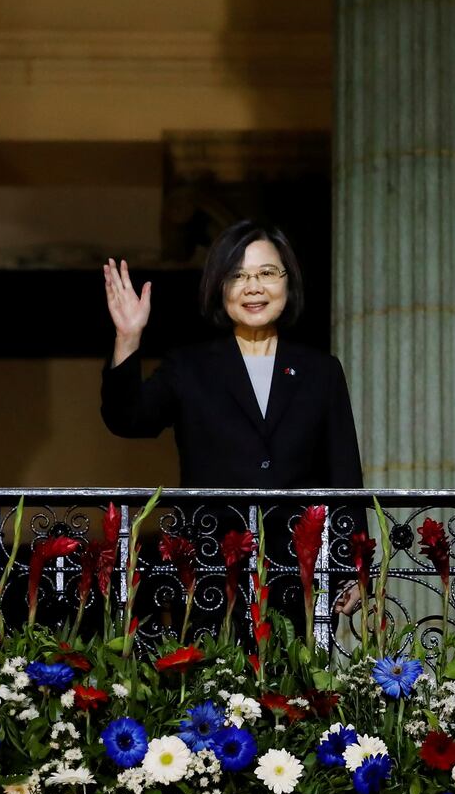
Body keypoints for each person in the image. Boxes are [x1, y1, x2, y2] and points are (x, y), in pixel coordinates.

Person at [100, 219, 365, 638]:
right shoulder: (189, 367)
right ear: (219, 288)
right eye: (237, 276)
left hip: (297, 576)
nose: (253, 287)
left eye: (265, 273)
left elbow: (344, 474)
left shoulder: (321, 371)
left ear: (288, 283)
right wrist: (128, 337)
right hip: (209, 573)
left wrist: (351, 568)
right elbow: (128, 419)